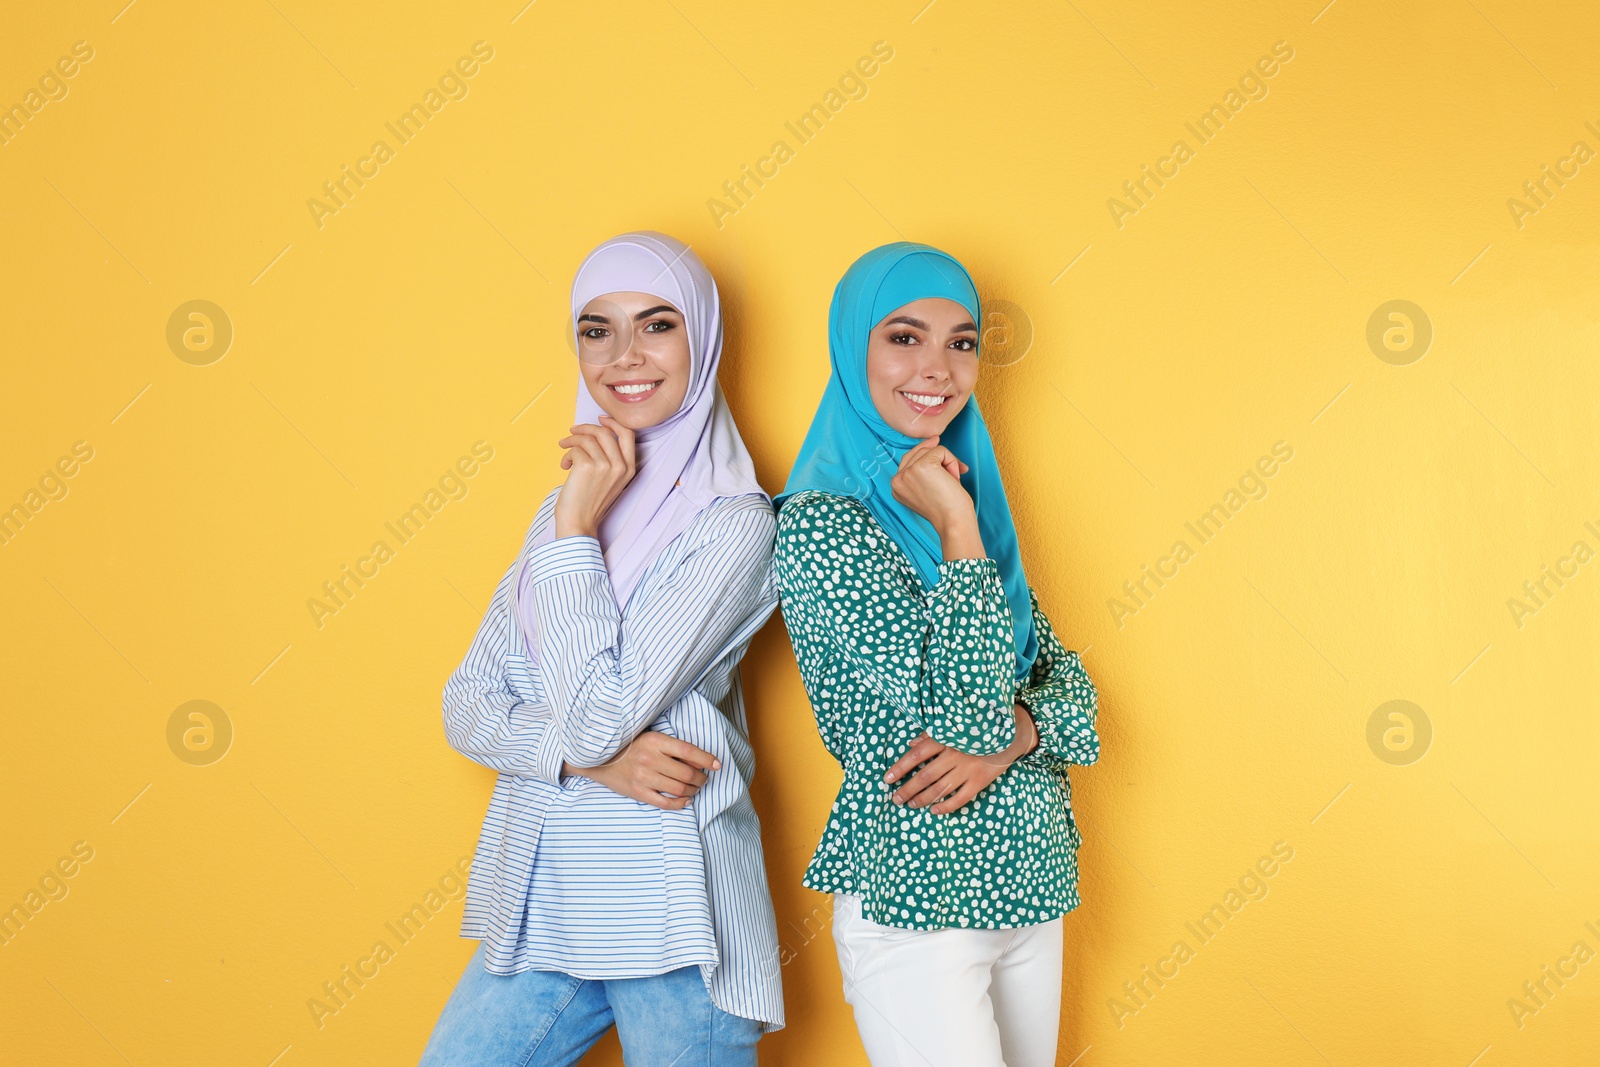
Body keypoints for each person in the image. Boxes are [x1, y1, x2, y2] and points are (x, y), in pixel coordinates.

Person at [422, 232, 784, 1066]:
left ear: (704, 337)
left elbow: (600, 715)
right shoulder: (565, 509)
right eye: (597, 329)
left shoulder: (734, 524)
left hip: (671, 910)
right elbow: (466, 705)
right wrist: (595, 765)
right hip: (545, 900)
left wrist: (577, 527)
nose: (625, 355)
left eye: (658, 325)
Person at [771, 242, 1100, 1067]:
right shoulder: (822, 524)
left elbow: (1073, 691)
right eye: (904, 336)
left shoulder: (971, 493)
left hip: (1032, 884)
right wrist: (956, 529)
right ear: (854, 346)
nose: (938, 368)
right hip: (920, 901)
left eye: (962, 342)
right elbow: (966, 712)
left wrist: (1025, 733)